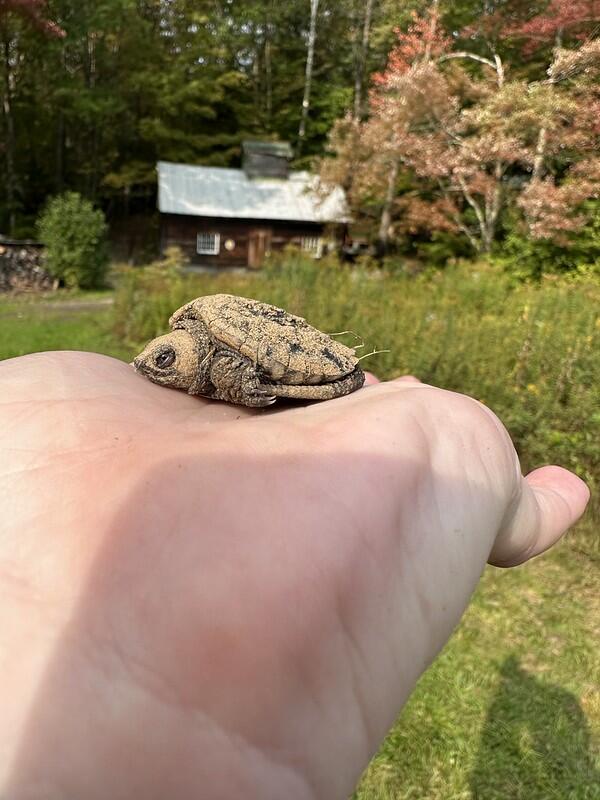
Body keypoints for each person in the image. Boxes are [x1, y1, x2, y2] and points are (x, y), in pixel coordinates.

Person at [0, 351, 589, 799]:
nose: (153, 368)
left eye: (165, 360)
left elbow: (237, 374)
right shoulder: (186, 358)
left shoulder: (213, 353)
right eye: (157, 360)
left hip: (289, 357)